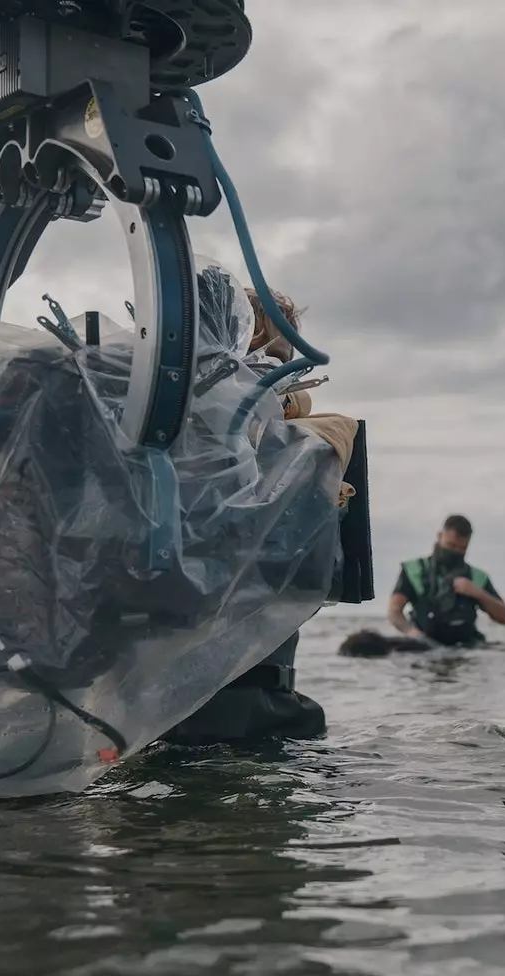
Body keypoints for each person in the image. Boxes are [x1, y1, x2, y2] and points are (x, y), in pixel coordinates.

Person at [159, 283, 349, 746]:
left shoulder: (301, 444)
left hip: (247, 712)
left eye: (282, 358)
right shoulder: (163, 444)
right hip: (195, 716)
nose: (275, 371)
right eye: (260, 354)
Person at [389, 515, 505, 646]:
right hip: (425, 647)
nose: (456, 551)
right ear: (440, 536)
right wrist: (411, 632)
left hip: (467, 648)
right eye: (451, 545)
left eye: (462, 548)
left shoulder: (476, 576)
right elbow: (394, 612)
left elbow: (504, 617)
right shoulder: (414, 570)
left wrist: (477, 593)